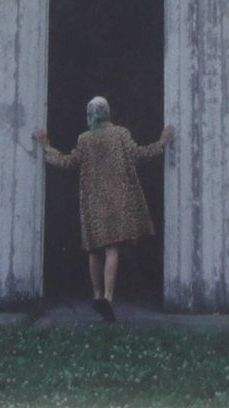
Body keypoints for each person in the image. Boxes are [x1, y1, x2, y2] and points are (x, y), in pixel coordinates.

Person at [34, 96, 175, 322]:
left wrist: (46, 146)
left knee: (94, 250)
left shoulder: (85, 139)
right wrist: (163, 140)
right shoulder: (121, 134)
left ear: (90, 114)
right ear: (108, 113)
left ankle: (97, 295)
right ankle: (108, 298)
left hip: (93, 202)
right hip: (117, 201)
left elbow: (68, 162)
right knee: (112, 249)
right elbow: (140, 155)